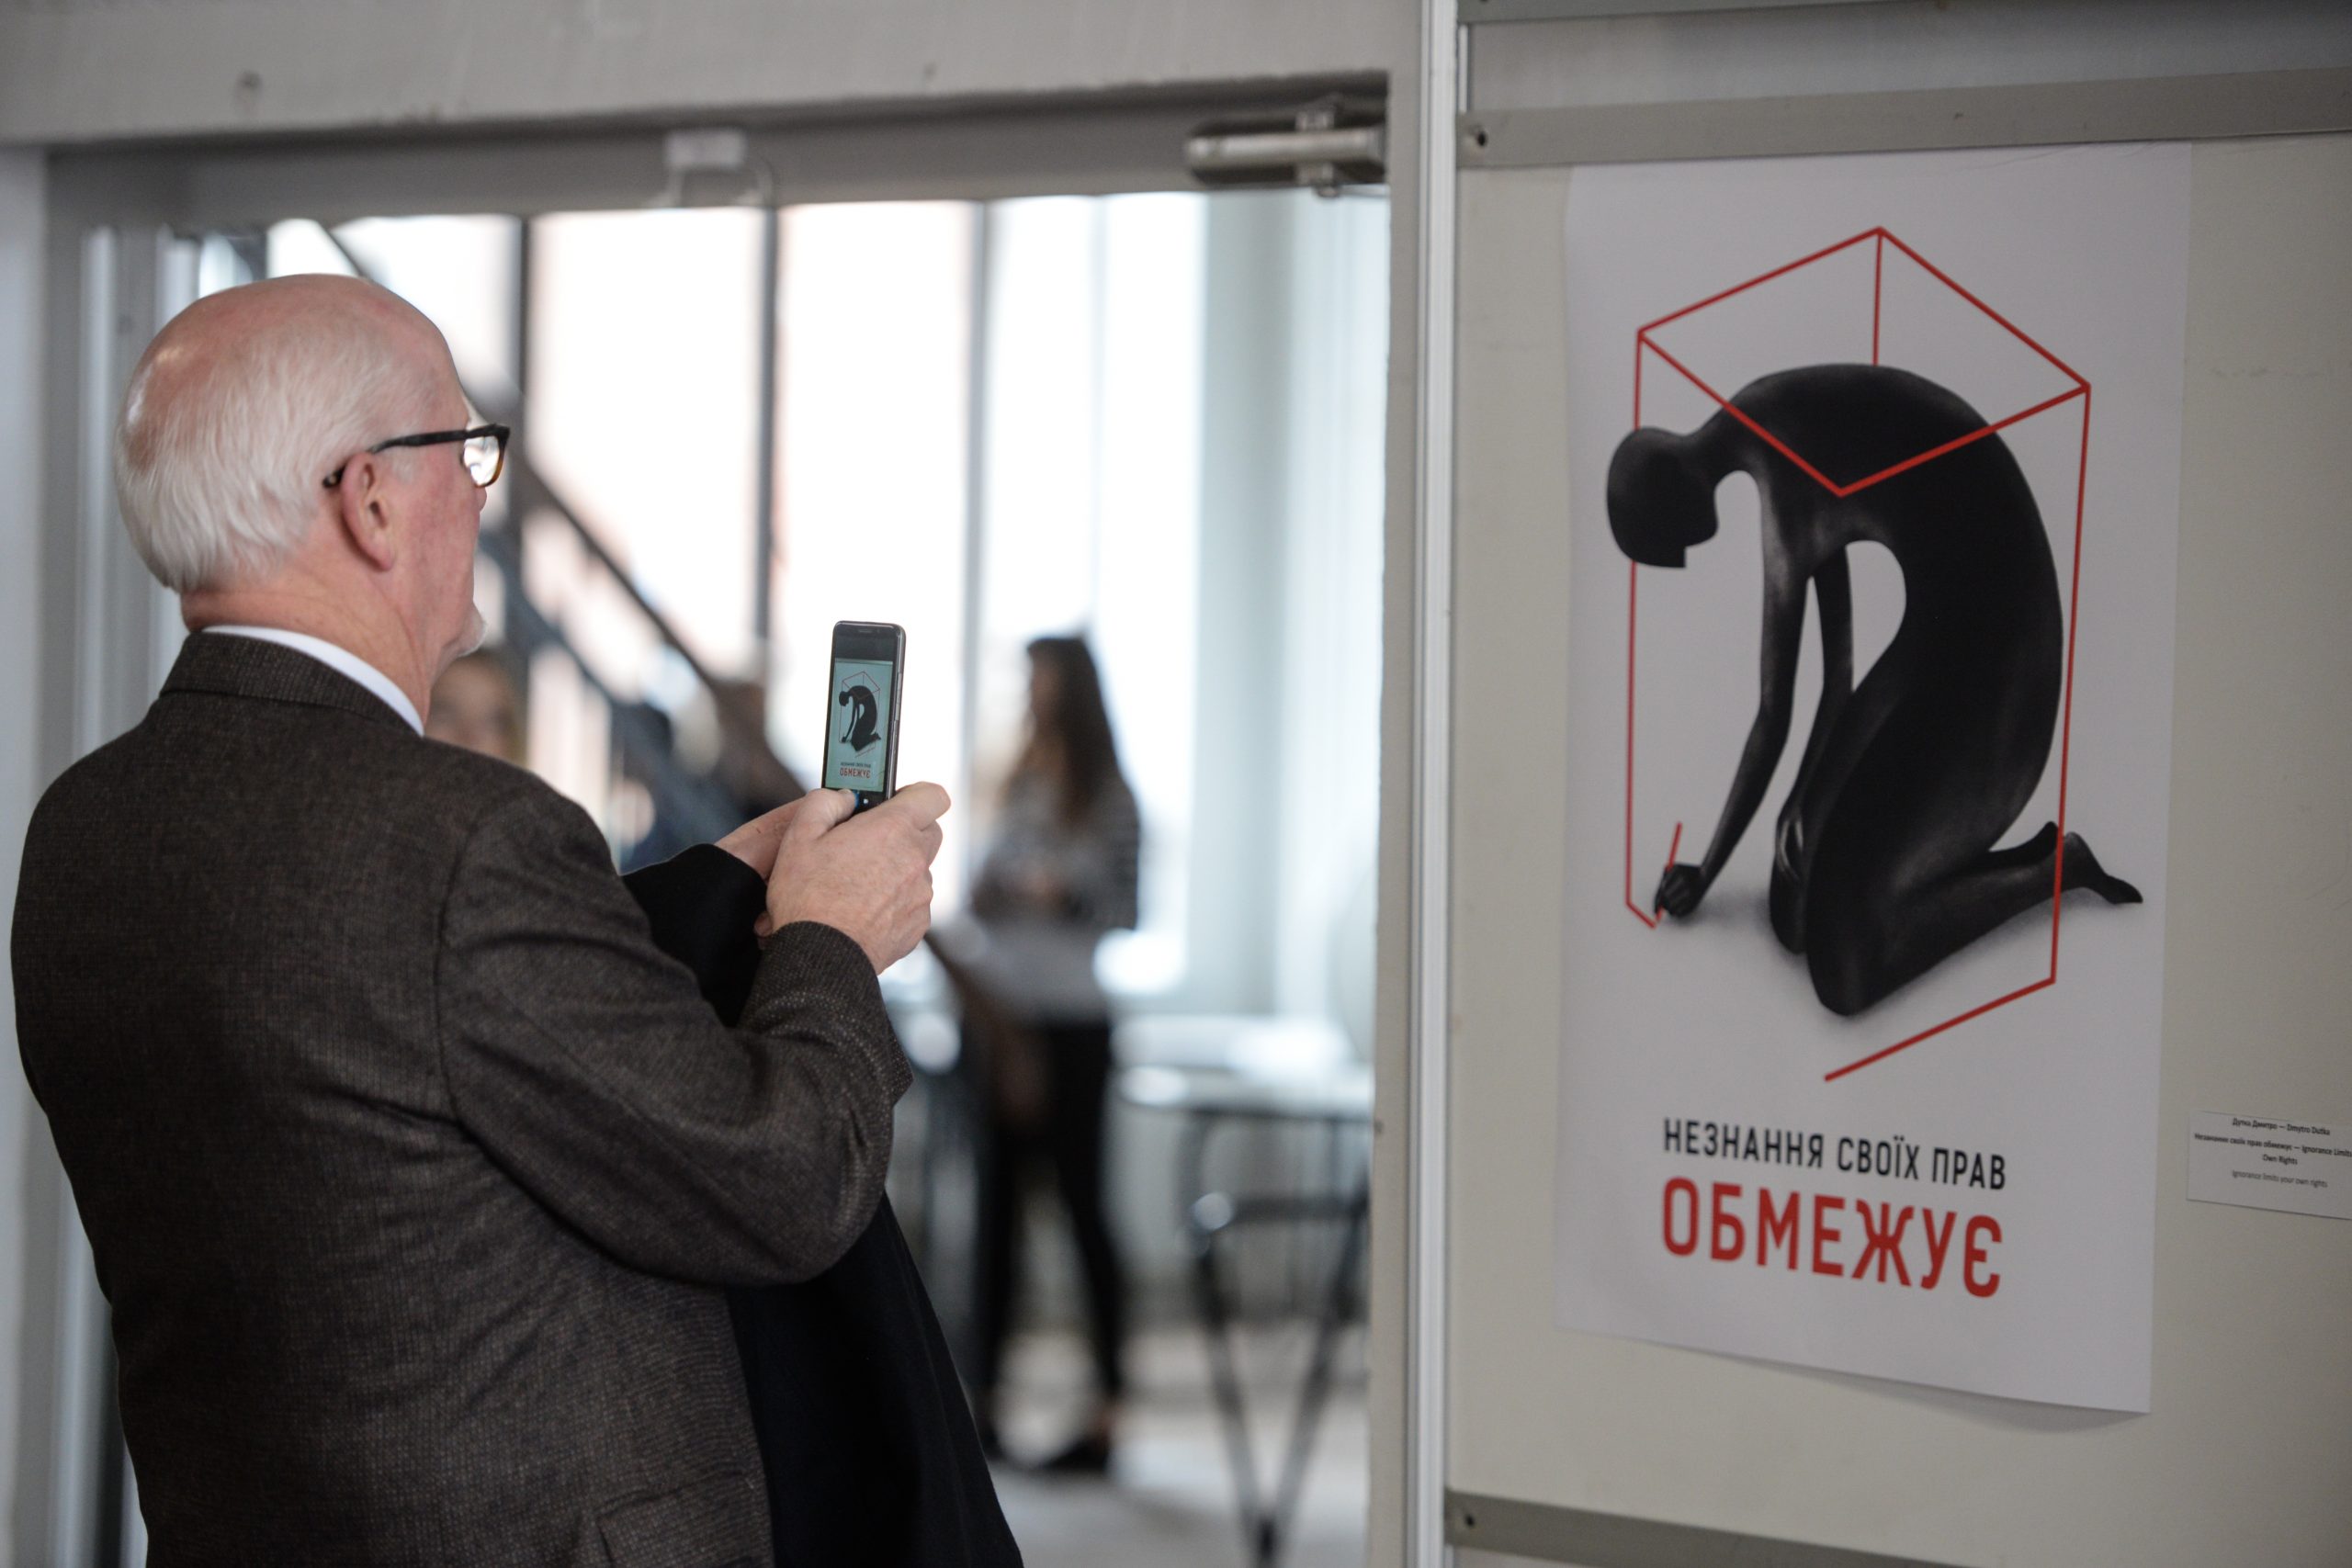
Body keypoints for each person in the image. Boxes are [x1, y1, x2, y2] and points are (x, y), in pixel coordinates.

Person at [11, 274, 952, 1565]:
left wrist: (721, 884)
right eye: (465, 448)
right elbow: (791, 1181)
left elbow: (380, 1031)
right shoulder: (465, 838)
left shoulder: (84, 827)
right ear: (371, 499)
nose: (480, 491)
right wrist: (831, 943)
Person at [1610, 363, 2141, 1016]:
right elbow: (1837, 673)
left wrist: (1705, 869)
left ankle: (2055, 869)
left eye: (1671, 545)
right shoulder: (1767, 414)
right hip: (1944, 629)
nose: (1687, 556)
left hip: (2000, 668)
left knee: (1844, 971)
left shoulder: (1784, 497)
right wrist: (1801, 805)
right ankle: (1942, 863)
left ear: (1674, 494)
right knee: (1791, 914)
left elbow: (1774, 716)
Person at [963, 635, 1141, 1474]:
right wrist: (1001, 888)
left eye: (1044, 679)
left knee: (1082, 1211)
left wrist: (1060, 889)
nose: (1033, 694)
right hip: (1003, 1024)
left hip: (1074, 1027)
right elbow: (980, 891)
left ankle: (1106, 1410)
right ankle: (983, 1404)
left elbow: (1126, 908)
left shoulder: (1110, 795)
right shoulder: (1014, 782)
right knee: (994, 1216)